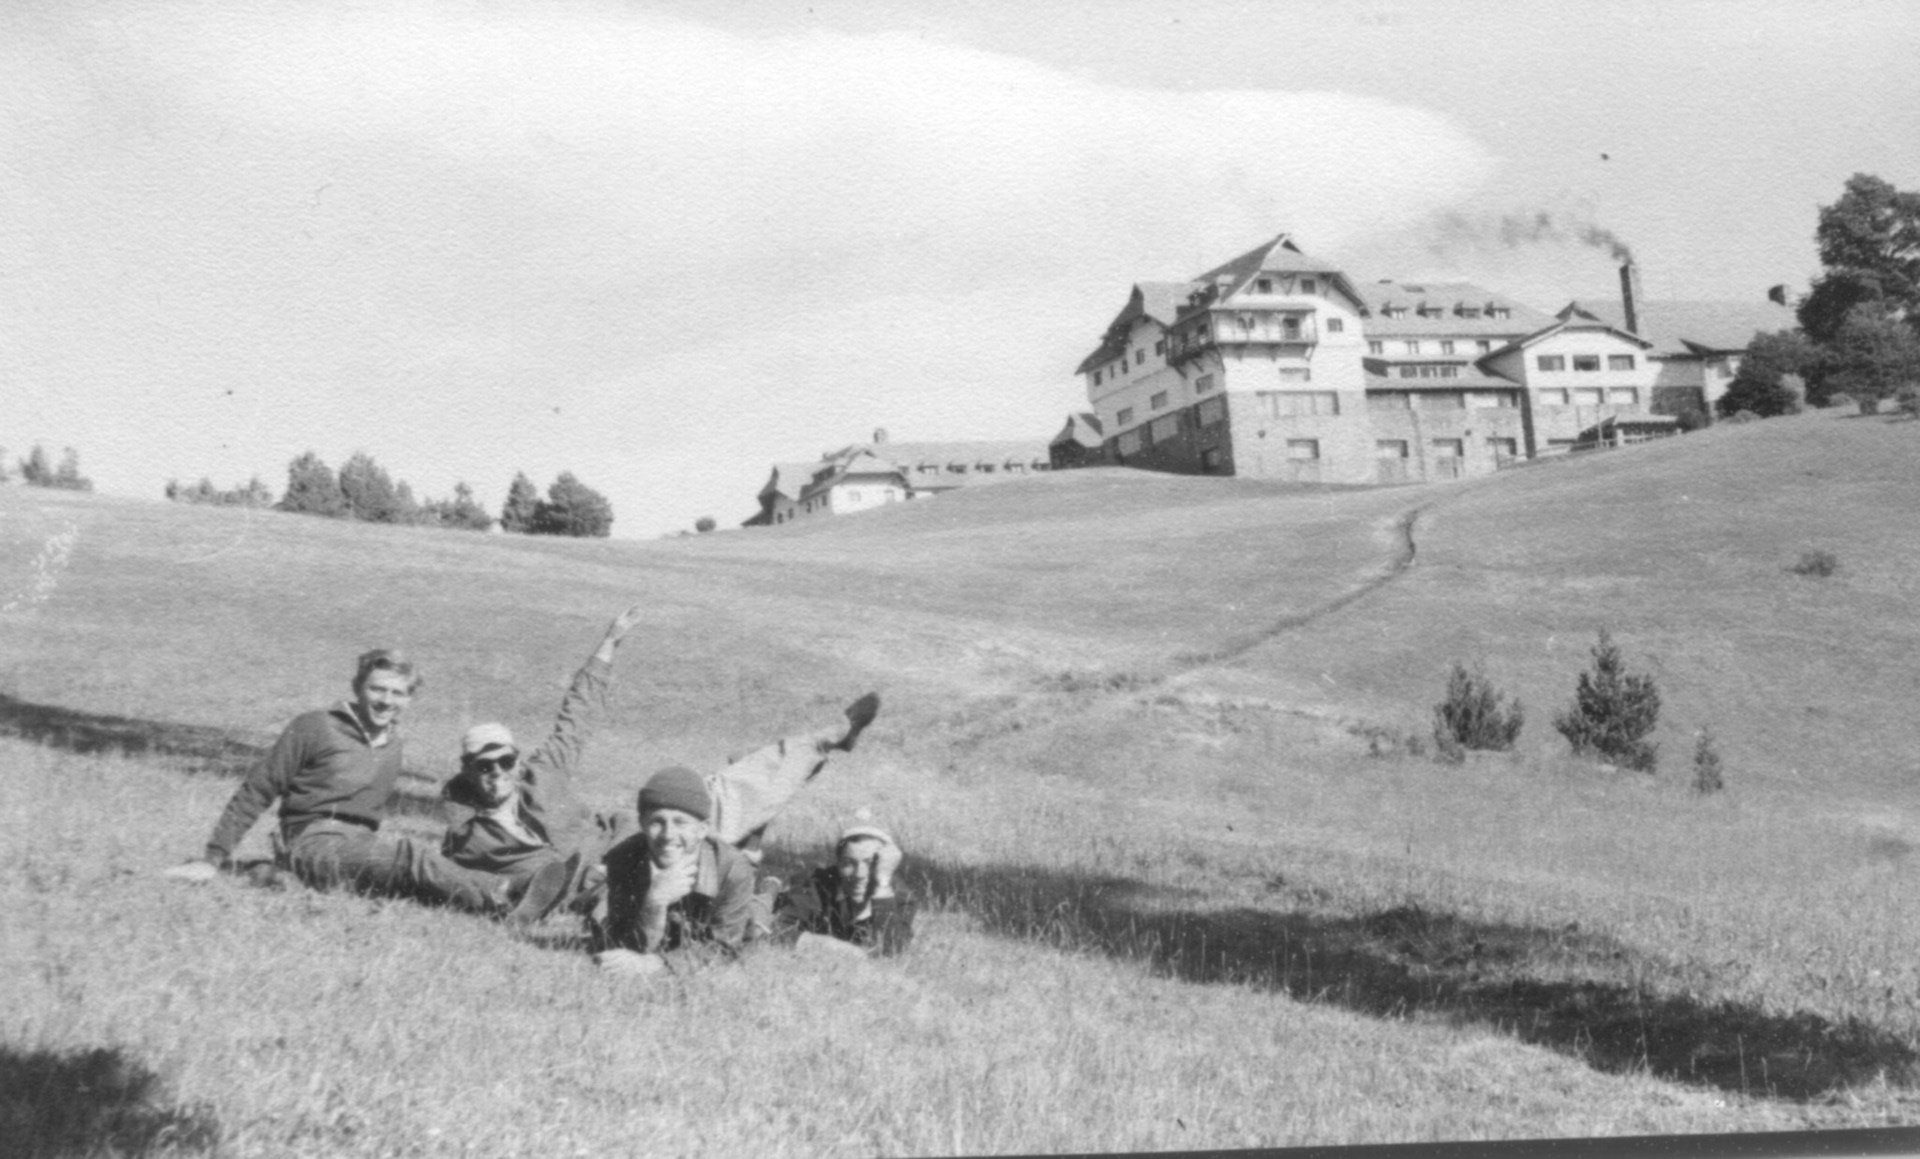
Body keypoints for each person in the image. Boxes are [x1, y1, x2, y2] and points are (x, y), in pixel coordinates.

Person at [161, 649, 574, 926]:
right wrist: (212, 858)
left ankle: (550, 894)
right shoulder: (314, 727)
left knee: (416, 876)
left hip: (355, 845)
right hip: (313, 839)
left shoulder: (393, 745)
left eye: (397, 693)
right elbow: (258, 788)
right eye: (377, 689)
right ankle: (503, 899)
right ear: (358, 687)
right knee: (412, 855)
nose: (385, 700)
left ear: (409, 700)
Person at [437, 606, 646, 899]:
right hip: (569, 886)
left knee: (640, 829)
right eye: (485, 766)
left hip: (610, 849)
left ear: (518, 763)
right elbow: (458, 866)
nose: (498, 772)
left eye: (506, 762)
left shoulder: (544, 770)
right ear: (467, 770)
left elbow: (577, 717)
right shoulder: (469, 834)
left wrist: (610, 640)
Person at [592, 766, 758, 976]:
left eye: (681, 822)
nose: (668, 834)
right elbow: (622, 941)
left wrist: (654, 965)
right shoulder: (622, 858)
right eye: (657, 822)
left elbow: (724, 950)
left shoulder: (732, 869)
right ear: (642, 823)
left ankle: (770, 888)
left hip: (739, 917)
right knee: (596, 911)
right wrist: (655, 902)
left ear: (702, 829)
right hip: (670, 934)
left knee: (761, 918)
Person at [771, 824, 915, 957]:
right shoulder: (820, 885)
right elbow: (777, 931)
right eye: (848, 863)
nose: (859, 874)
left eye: (870, 863)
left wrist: (882, 885)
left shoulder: (898, 896)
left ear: (885, 866)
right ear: (838, 864)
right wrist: (838, 948)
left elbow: (893, 952)